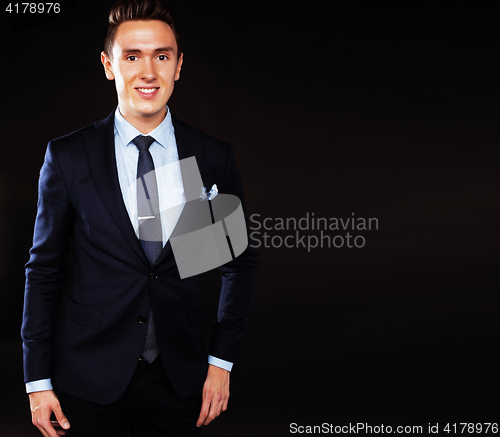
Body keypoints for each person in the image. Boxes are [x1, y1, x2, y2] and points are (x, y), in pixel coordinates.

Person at [21, 1, 258, 436]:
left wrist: (221, 363)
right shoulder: (70, 156)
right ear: (109, 65)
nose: (148, 72)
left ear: (178, 66)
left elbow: (236, 265)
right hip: (88, 378)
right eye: (132, 56)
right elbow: (44, 271)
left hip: (179, 380)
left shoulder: (209, 156)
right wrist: (37, 381)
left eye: (161, 56)